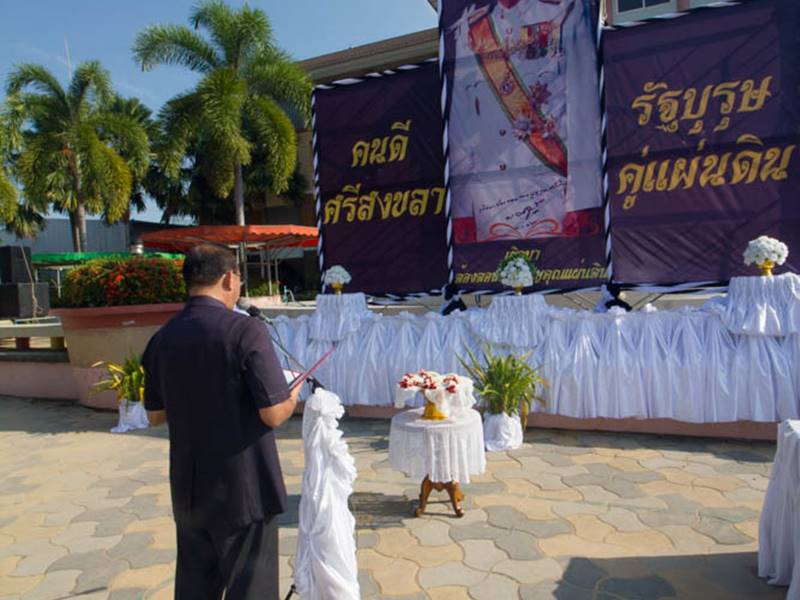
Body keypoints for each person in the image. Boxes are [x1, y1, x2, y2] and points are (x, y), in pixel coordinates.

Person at [143, 243, 301, 600]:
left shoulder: (162, 338)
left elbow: (154, 415)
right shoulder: (245, 331)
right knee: (251, 591)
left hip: (189, 490)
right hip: (244, 489)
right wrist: (292, 393)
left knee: (196, 590)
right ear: (229, 278)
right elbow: (273, 412)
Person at [448, 0, 603, 243]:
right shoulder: (471, 29)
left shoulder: (566, 10)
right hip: (489, 202)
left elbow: (583, 106)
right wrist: (462, 209)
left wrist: (583, 200)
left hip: (551, 192)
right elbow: (461, 124)